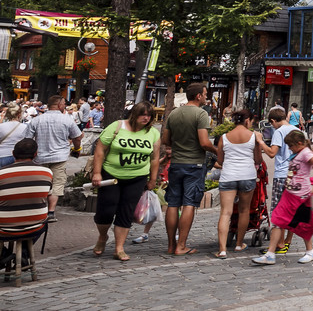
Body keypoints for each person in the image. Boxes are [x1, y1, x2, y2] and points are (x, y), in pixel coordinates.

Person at [91, 102, 161, 261]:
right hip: (111, 175)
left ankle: (119, 248)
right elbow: (100, 149)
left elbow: (155, 158)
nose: (146, 118)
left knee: (126, 212)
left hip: (137, 177)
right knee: (106, 210)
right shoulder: (117, 127)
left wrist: (153, 179)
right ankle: (102, 237)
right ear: (134, 114)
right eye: (143, 114)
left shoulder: (153, 133)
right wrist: (97, 172)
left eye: (149, 115)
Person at [251, 130, 313, 265]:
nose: (289, 149)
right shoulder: (297, 153)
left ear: (299, 143)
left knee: (303, 223)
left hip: (301, 195)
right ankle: (271, 254)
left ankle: (310, 251)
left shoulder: (306, 153)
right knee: (278, 220)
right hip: (290, 194)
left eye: (290, 146)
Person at [162, 83, 218, 256]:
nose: (206, 97)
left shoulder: (174, 113)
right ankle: (181, 245)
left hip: (176, 163)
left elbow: (166, 139)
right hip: (194, 164)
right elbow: (204, 142)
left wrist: (180, 145)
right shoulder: (201, 114)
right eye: (205, 94)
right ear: (198, 96)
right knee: (189, 204)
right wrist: (217, 151)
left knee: (173, 203)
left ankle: (171, 245)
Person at [22, 95, 81, 223]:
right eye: (64, 103)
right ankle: (51, 212)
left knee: (41, 184)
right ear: (59, 105)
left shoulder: (37, 120)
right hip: (59, 157)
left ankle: (38, 210)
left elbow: (27, 140)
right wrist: (77, 149)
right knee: (57, 184)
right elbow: (77, 137)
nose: (65, 106)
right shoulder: (67, 120)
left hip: (40, 157)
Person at [213, 109, 264, 258]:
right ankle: (239, 244)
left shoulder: (224, 137)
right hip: (247, 176)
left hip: (228, 176)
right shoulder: (253, 137)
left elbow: (220, 161)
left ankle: (222, 249)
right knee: (244, 210)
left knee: (225, 212)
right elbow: (258, 160)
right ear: (247, 121)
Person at [258, 108, 298, 255]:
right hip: (295, 174)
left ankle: (280, 244)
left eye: (272, 124)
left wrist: (261, 142)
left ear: (273, 121)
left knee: (278, 209)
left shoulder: (279, 132)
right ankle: (287, 241)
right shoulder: (296, 130)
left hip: (282, 174)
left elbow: (272, 153)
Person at [0, 138, 53, 250]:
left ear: (13, 154)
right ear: (35, 154)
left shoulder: (2, 174)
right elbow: (47, 196)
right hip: (36, 226)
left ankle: (4, 254)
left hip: (4, 227)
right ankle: (25, 252)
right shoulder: (47, 173)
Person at [0, 101, 29, 168]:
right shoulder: (25, 127)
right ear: (19, 114)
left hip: (2, 155)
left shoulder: (1, 126)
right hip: (19, 156)